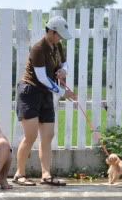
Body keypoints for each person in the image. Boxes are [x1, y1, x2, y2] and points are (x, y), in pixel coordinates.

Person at [13, 16, 76, 187]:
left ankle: (46, 174)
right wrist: (63, 92)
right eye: (59, 35)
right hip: (30, 92)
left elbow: (65, 64)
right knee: (31, 136)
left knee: (48, 135)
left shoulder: (57, 46)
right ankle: (19, 174)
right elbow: (42, 78)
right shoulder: (38, 49)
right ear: (51, 32)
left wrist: (63, 71)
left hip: (46, 92)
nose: (60, 38)